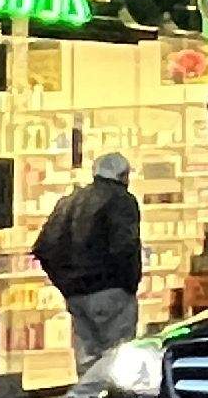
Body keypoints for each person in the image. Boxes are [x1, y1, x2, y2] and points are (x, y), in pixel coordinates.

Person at [34, 152, 146, 374]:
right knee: (118, 358)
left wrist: (65, 283)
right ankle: (85, 397)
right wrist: (127, 284)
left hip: (76, 294)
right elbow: (124, 246)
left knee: (88, 359)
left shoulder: (70, 201)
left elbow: (44, 247)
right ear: (123, 175)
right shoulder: (121, 200)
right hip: (111, 290)